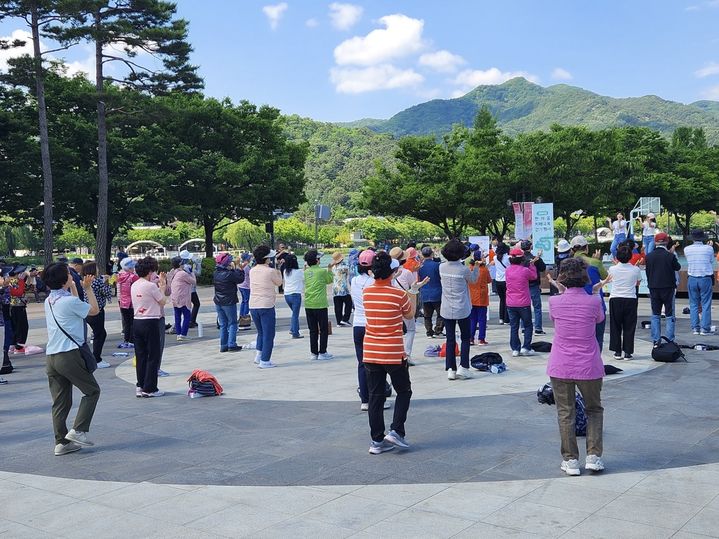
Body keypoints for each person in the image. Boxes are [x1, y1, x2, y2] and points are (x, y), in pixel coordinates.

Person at [547, 257, 606, 476]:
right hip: (588, 365)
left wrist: (562, 293)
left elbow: (556, 318)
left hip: (561, 363)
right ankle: (593, 456)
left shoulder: (555, 302)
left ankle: (570, 460)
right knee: (594, 409)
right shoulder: (593, 301)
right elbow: (599, 319)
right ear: (585, 277)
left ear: (562, 277)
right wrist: (596, 292)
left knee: (565, 412)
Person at [363, 252, 422, 454]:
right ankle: (396, 431)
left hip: (371, 351)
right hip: (393, 351)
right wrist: (412, 292)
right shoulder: (397, 295)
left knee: (375, 396)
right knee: (404, 390)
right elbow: (410, 314)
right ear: (392, 273)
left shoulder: (367, 292)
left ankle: (376, 440)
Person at [42, 262, 101, 455]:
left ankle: (61, 443)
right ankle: (79, 430)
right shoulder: (68, 302)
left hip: (52, 357)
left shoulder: (50, 300)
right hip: (68, 355)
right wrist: (89, 289)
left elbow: (76, 308)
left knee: (60, 402)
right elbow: (93, 311)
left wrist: (75, 287)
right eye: (69, 273)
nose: (72, 275)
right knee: (92, 391)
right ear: (63, 279)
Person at [351, 249, 390, 412]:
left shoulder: (354, 281)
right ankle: (378, 398)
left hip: (357, 325)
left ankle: (365, 400)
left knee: (362, 364)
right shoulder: (373, 283)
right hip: (372, 324)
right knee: (377, 365)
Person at [439, 239, 479, 380]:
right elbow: (474, 280)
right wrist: (477, 266)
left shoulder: (441, 267)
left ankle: (451, 369)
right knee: (465, 338)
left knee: (450, 339)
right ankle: (464, 367)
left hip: (446, 308)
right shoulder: (464, 269)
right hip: (462, 308)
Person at [131, 257, 167, 397]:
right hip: (150, 321)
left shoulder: (135, 284)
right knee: (153, 355)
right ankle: (150, 388)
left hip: (137, 321)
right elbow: (162, 301)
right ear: (150, 271)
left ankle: (140, 385)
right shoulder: (151, 286)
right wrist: (162, 287)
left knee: (141, 355)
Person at [571, 236, 609, 350]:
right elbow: (605, 277)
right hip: (596, 305)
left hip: (575, 306)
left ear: (572, 250)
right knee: (597, 339)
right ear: (586, 248)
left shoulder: (568, 263)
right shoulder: (595, 262)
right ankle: (595, 364)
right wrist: (597, 261)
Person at [249, 245, 283, 368]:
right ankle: (265, 360)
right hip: (266, 305)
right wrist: (278, 269)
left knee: (261, 332)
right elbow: (279, 282)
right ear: (266, 259)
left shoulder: (252, 270)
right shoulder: (270, 271)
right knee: (269, 334)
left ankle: (259, 355)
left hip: (253, 304)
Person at [644, 232, 681, 344]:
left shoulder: (649, 256)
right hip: (668, 287)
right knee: (669, 314)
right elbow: (678, 267)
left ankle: (656, 339)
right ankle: (669, 340)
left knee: (655, 314)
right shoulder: (670, 256)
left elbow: (647, 271)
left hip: (654, 287)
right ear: (667, 242)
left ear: (655, 242)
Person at [607, 245, 641, 360]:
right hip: (630, 298)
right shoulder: (636, 269)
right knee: (629, 326)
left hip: (615, 298)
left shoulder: (612, 269)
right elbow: (638, 283)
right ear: (630, 256)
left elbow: (610, 279)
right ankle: (628, 352)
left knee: (615, 325)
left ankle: (617, 351)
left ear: (617, 257)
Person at [506, 246, 538, 357]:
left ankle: (515, 349)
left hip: (510, 303)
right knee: (528, 325)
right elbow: (534, 276)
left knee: (514, 326)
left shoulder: (508, 270)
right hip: (523, 303)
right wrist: (532, 265)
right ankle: (526, 347)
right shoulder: (525, 271)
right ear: (522, 259)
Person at [303, 250, 334, 360]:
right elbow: (329, 280)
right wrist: (330, 269)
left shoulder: (306, 272)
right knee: (323, 329)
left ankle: (314, 353)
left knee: (313, 330)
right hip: (320, 304)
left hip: (309, 303)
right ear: (316, 260)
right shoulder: (321, 271)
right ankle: (322, 352)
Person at [81, 262, 113, 368]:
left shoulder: (85, 280)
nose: (98, 270)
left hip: (87, 310)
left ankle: (95, 358)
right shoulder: (97, 281)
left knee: (98, 333)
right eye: (97, 268)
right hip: (96, 310)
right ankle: (96, 359)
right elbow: (107, 292)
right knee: (100, 334)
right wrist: (107, 281)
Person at [684, 229, 716, 336]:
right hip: (705, 278)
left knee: (693, 304)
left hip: (692, 278)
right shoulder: (709, 249)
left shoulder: (686, 249)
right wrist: (709, 246)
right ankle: (705, 328)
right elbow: (711, 261)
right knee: (706, 304)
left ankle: (695, 328)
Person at [213, 252, 245, 353]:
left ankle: (223, 345)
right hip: (229, 301)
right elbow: (240, 279)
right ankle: (232, 344)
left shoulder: (216, 273)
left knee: (223, 324)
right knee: (232, 323)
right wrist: (239, 269)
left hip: (218, 301)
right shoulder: (229, 274)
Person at [391, 247, 418, 363]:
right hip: (405, 302)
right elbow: (413, 287)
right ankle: (407, 354)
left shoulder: (389, 274)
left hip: (392, 303)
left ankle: (396, 354)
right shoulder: (406, 272)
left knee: (396, 330)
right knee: (411, 329)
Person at [522, 239, 547, 335]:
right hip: (534, 285)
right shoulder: (534, 258)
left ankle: (524, 327)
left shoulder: (520, 259)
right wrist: (538, 257)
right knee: (537, 307)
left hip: (523, 286)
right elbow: (543, 268)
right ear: (531, 247)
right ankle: (538, 328)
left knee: (524, 307)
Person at [168, 256, 196, 342]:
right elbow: (194, 282)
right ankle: (183, 334)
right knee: (187, 316)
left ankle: (178, 334)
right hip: (183, 298)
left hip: (174, 298)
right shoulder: (182, 274)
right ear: (180, 264)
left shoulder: (172, 272)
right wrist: (191, 272)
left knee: (177, 316)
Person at [417, 246, 443, 337]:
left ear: (422, 255)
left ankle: (429, 331)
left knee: (427, 315)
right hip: (437, 292)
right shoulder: (437, 265)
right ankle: (438, 330)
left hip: (424, 292)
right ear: (432, 254)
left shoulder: (420, 267)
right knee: (441, 313)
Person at [468, 252, 491, 345]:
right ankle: (481, 339)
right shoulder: (484, 270)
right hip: (482, 297)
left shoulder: (470, 269)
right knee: (482, 319)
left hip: (471, 297)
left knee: (472, 319)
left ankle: (470, 338)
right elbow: (489, 280)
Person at [117, 257, 139, 349]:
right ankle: (132, 340)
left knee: (126, 323)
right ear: (130, 267)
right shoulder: (133, 277)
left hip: (123, 302)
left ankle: (126, 340)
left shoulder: (120, 276)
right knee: (133, 322)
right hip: (132, 302)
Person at [282, 254, 304, 339]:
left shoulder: (285, 271)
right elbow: (303, 278)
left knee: (294, 314)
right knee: (295, 315)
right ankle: (295, 332)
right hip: (295, 294)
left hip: (287, 295)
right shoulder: (299, 272)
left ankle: (292, 329)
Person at [7, 267, 29, 352]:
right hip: (17, 306)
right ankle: (19, 345)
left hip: (14, 306)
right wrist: (21, 281)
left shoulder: (10, 281)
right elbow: (18, 292)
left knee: (15, 325)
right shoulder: (15, 281)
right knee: (22, 326)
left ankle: (13, 344)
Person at [179, 250, 201, 328]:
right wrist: (198, 264)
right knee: (196, 304)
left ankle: (189, 320)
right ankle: (191, 321)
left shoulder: (180, 267)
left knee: (187, 305)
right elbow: (198, 273)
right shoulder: (187, 267)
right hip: (191, 289)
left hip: (183, 289)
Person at [330, 252, 353, 327]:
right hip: (343, 288)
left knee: (338, 306)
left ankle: (338, 322)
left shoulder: (333, 267)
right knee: (349, 303)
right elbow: (350, 272)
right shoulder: (344, 266)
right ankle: (345, 319)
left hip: (335, 289)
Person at [493, 238, 511, 325]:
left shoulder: (495, 258)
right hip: (506, 281)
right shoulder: (508, 258)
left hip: (498, 281)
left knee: (502, 299)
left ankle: (501, 318)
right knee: (507, 299)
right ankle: (507, 319)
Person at [238, 252, 252, 330]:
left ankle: (241, 315)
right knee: (246, 301)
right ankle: (245, 316)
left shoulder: (241, 265)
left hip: (241, 285)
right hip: (246, 286)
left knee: (244, 301)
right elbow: (250, 275)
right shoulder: (247, 267)